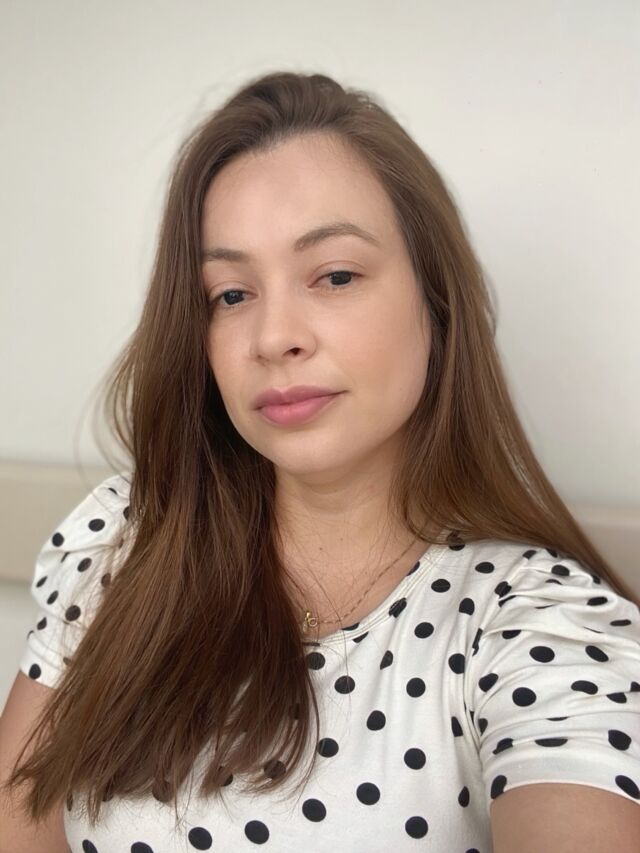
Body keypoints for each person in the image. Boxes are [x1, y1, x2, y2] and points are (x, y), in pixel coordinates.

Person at [1, 70, 639, 853]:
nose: (274, 338)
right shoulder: (125, 541)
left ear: (435, 302)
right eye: (231, 294)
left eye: (335, 276)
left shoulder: (541, 627)